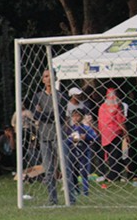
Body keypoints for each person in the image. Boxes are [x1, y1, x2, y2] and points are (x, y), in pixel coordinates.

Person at [23, 68, 65, 204]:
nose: (48, 78)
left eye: (50, 76)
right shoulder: (37, 96)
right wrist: (48, 115)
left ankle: (71, 197)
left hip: (59, 136)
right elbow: (36, 115)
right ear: (42, 79)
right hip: (44, 137)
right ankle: (53, 199)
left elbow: (60, 116)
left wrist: (44, 114)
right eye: (45, 76)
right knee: (49, 170)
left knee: (65, 167)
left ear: (55, 78)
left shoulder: (61, 96)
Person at [97, 87, 127, 183]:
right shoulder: (117, 106)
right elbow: (120, 121)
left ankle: (114, 173)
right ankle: (114, 175)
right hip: (115, 133)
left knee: (110, 155)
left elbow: (100, 121)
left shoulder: (102, 107)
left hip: (105, 133)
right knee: (116, 154)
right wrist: (126, 133)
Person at [66, 109, 98, 197]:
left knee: (84, 172)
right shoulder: (69, 129)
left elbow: (94, 137)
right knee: (73, 172)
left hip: (84, 151)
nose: (75, 118)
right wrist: (72, 139)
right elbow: (66, 141)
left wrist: (86, 137)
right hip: (72, 152)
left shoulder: (86, 128)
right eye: (74, 116)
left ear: (82, 117)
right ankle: (76, 190)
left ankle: (85, 191)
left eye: (78, 116)